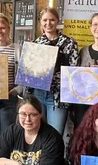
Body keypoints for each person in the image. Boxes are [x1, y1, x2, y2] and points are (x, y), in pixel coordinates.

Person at [27, 7, 79, 136]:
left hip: (58, 95)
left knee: (55, 135)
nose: (48, 23)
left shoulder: (70, 43)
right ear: (40, 22)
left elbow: (74, 71)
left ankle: (54, 156)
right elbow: (29, 72)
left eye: (52, 20)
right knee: (37, 133)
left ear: (58, 21)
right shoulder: (35, 44)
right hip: (38, 93)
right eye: (45, 20)